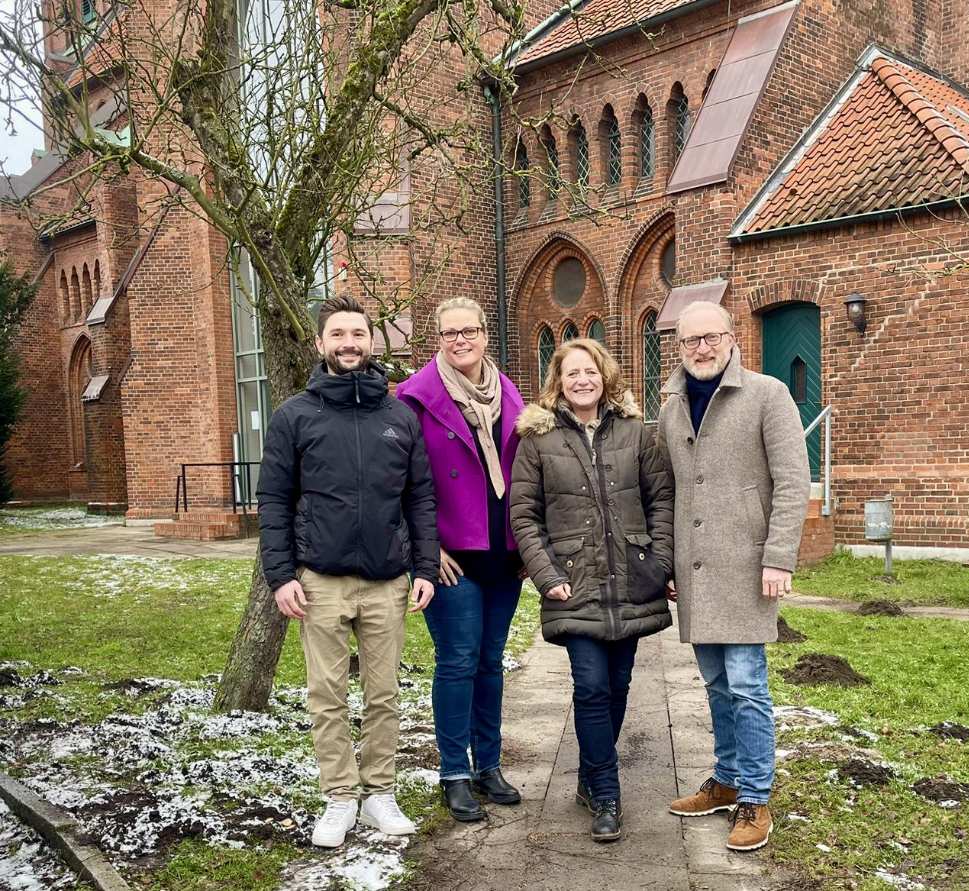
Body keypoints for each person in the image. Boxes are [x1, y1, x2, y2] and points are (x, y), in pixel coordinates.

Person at [257, 294, 438, 848]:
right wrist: (281, 575)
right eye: (338, 335)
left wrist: (425, 565)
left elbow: (421, 498)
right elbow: (273, 499)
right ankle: (339, 797)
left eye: (358, 334)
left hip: (388, 581)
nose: (349, 344)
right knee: (327, 696)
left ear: (371, 341)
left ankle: (379, 792)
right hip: (320, 581)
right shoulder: (295, 416)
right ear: (321, 344)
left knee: (383, 695)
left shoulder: (399, 416)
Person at [657, 301, 808, 852]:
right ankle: (725, 780)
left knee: (747, 685)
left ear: (730, 337)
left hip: (748, 567)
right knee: (717, 684)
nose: (702, 348)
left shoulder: (768, 394)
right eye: (691, 340)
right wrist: (670, 563)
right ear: (679, 346)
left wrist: (779, 557)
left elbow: (793, 482)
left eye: (711, 337)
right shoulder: (671, 404)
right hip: (696, 571)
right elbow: (671, 490)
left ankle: (755, 796)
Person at [509, 338, 674, 843]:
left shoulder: (635, 432)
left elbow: (661, 499)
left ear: (605, 377)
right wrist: (547, 573)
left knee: (619, 684)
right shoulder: (537, 439)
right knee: (592, 686)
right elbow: (524, 516)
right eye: (572, 373)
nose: (583, 381)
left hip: (630, 579)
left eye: (591, 372)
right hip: (572, 584)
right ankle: (606, 792)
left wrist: (660, 562)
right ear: (557, 381)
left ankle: (587, 774)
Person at [395, 297, 526, 822]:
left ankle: (488, 766)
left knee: (490, 662)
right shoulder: (414, 399)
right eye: (449, 333)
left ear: (484, 334)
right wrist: (426, 553)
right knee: (457, 662)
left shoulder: (509, 393)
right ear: (438, 339)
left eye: (468, 330)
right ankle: (454, 771)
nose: (460, 340)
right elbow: (400, 486)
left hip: (504, 554)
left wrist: (526, 545)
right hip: (452, 557)